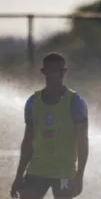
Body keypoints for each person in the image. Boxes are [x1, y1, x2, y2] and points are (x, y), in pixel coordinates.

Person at [10, 52, 89, 199]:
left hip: (64, 171)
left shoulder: (75, 102)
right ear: (43, 72)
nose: (55, 75)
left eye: (59, 71)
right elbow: (27, 141)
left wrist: (80, 175)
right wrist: (19, 175)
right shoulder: (33, 102)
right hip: (37, 169)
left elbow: (83, 142)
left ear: (64, 72)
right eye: (50, 71)